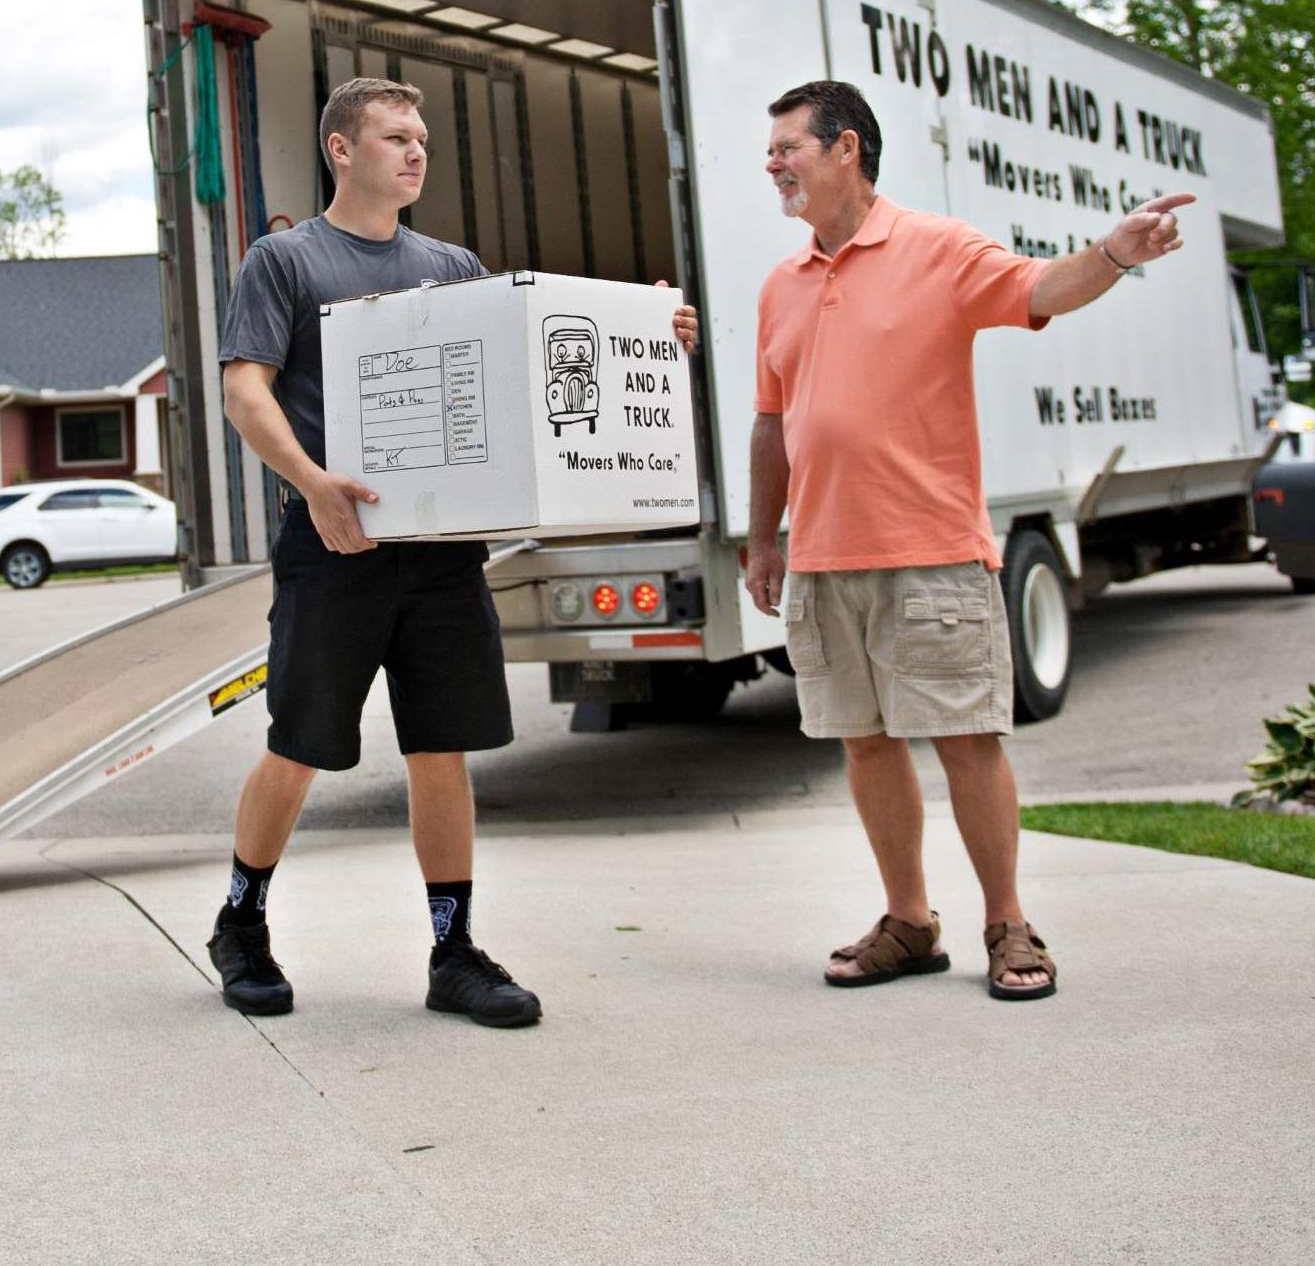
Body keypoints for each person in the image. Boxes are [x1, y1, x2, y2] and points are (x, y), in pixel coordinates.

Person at [212, 76, 697, 1027]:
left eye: (421, 137)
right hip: (333, 544)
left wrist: (645, 327)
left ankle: (453, 950)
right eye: (396, 136)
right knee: (300, 744)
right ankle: (242, 921)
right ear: (341, 150)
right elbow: (244, 391)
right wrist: (314, 483)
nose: (416, 151)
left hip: (441, 555)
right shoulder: (285, 261)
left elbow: (520, 371)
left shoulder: (452, 264)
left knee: (443, 748)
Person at [745, 81, 1192, 1001]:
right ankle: (909, 921)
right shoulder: (781, 285)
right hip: (825, 560)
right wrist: (763, 540)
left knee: (968, 741)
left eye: (790, 145)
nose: (774, 162)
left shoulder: (937, 248)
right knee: (864, 744)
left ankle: (1009, 922)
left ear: (847, 149)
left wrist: (1115, 251)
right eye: (772, 148)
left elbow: (1039, 287)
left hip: (930, 548)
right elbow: (769, 423)